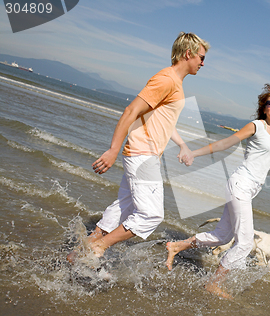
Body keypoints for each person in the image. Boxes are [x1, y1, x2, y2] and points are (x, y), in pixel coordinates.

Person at [67, 32, 210, 262]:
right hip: (143, 154)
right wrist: (113, 149)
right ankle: (99, 247)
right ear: (188, 54)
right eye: (201, 57)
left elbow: (164, 120)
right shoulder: (166, 79)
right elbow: (131, 111)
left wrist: (182, 144)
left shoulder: (175, 83)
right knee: (151, 215)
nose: (203, 63)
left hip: (145, 154)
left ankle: (79, 253)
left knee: (124, 206)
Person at [165, 84, 270, 298]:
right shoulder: (257, 126)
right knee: (244, 243)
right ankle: (214, 283)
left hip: (249, 189)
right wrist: (194, 153)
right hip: (240, 185)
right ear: (264, 108)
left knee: (221, 235)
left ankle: (176, 246)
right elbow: (226, 143)